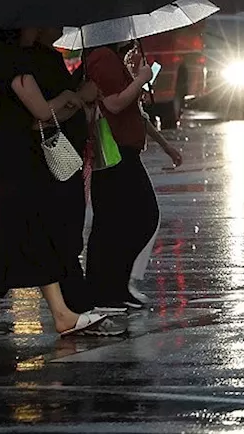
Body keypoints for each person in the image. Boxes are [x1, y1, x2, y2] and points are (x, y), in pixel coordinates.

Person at [0, 28, 119, 339]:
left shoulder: (1, 60)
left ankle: (62, 314)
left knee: (36, 233)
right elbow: (41, 111)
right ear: (17, 28)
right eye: (32, 24)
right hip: (2, 167)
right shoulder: (10, 63)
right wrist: (72, 97)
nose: (38, 29)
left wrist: (68, 100)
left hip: (11, 162)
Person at [84, 40, 181, 310]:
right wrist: (140, 80)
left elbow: (135, 113)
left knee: (122, 221)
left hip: (126, 151)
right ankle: (103, 290)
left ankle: (113, 287)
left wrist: (165, 145)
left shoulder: (115, 58)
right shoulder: (103, 58)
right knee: (136, 218)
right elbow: (114, 105)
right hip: (114, 152)